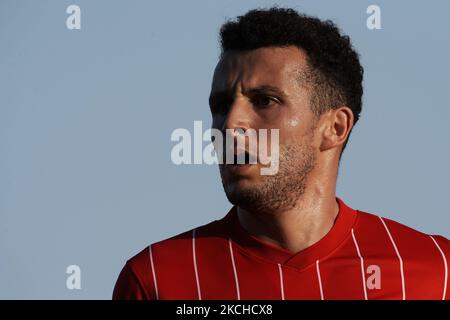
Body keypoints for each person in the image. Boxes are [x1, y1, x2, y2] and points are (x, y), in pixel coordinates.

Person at [113, 7, 448, 300]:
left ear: (334, 127)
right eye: (221, 106)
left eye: (264, 101)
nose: (231, 125)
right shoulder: (156, 279)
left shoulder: (436, 271)